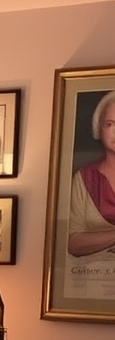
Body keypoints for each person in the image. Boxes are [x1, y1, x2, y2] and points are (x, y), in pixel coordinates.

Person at [67, 89, 115, 258]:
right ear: (99, 128)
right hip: (89, 278)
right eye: (110, 124)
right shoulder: (84, 177)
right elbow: (73, 242)